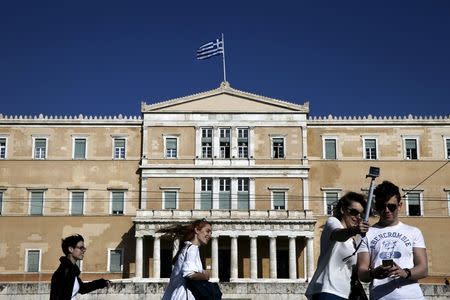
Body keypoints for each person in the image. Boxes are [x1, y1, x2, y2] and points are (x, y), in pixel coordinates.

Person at [357, 181, 428, 299]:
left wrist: (405, 273)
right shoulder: (366, 234)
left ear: (399, 206)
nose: (386, 210)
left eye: (391, 206)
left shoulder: (414, 232)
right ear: (375, 207)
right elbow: (362, 272)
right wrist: (374, 273)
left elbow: (424, 269)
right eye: (381, 206)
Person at [306, 192, 369, 300]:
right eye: (354, 212)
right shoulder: (333, 222)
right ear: (342, 210)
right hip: (327, 290)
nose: (358, 217)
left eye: (361, 215)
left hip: (345, 294)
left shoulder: (353, 241)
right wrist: (355, 230)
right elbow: (337, 234)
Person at [159, 218, 213, 300]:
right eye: (207, 231)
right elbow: (189, 273)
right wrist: (206, 276)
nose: (209, 235)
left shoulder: (187, 247)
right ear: (197, 230)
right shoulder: (192, 249)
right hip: (183, 296)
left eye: (211, 232)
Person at [50, 234, 110, 300]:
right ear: (71, 249)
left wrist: (101, 283)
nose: (84, 250)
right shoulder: (63, 272)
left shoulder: (72, 271)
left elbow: (82, 288)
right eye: (81, 248)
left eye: (84, 248)